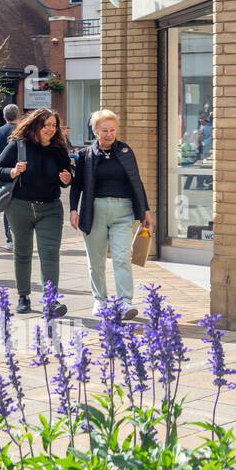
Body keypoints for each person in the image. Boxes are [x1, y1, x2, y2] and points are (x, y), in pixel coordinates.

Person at [0, 109, 72, 317]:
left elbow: (68, 174)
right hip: (20, 207)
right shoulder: (19, 145)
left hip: (51, 208)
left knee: (50, 255)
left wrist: (68, 178)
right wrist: (13, 172)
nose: (51, 130)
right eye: (46, 125)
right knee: (22, 253)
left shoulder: (59, 149)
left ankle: (50, 301)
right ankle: (23, 297)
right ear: (35, 125)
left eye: (54, 125)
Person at [70, 109, 151, 319]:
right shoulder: (85, 155)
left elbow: (137, 181)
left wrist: (146, 210)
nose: (109, 134)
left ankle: (125, 302)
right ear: (95, 130)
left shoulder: (125, 151)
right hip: (94, 211)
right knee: (95, 260)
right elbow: (77, 185)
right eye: (104, 130)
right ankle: (100, 300)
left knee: (122, 257)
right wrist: (73, 210)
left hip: (123, 211)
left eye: (112, 130)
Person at [0, 104, 21, 249]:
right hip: (20, 174)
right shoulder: (22, 132)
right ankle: (20, 237)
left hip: (2, 175)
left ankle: (10, 239)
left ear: (4, 117)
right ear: (18, 116)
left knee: (7, 206)